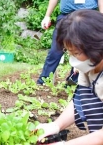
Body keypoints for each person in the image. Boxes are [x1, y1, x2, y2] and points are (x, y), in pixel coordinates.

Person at [37, 0, 103, 85]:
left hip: (87, 18)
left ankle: (75, 79)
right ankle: (43, 80)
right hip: (65, 17)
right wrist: (47, 15)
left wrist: (101, 18)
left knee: (83, 50)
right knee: (56, 48)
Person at [37, 9, 103, 144]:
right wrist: (55, 125)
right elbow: (81, 99)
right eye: (69, 52)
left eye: (77, 53)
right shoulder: (90, 67)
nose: (73, 59)